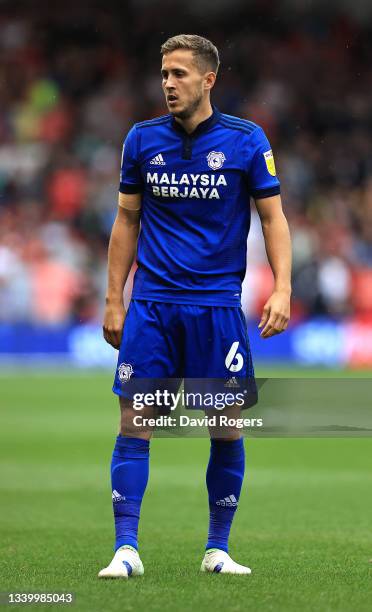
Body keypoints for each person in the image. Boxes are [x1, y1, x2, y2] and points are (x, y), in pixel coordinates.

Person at [99, 34, 291, 578]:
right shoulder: (141, 140)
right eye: (164, 73)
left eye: (179, 74)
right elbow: (126, 221)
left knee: (225, 426)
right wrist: (114, 298)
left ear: (209, 79)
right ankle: (125, 549)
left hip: (217, 308)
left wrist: (283, 287)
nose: (167, 83)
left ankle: (217, 548)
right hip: (154, 306)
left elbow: (273, 218)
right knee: (135, 420)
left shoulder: (246, 140)